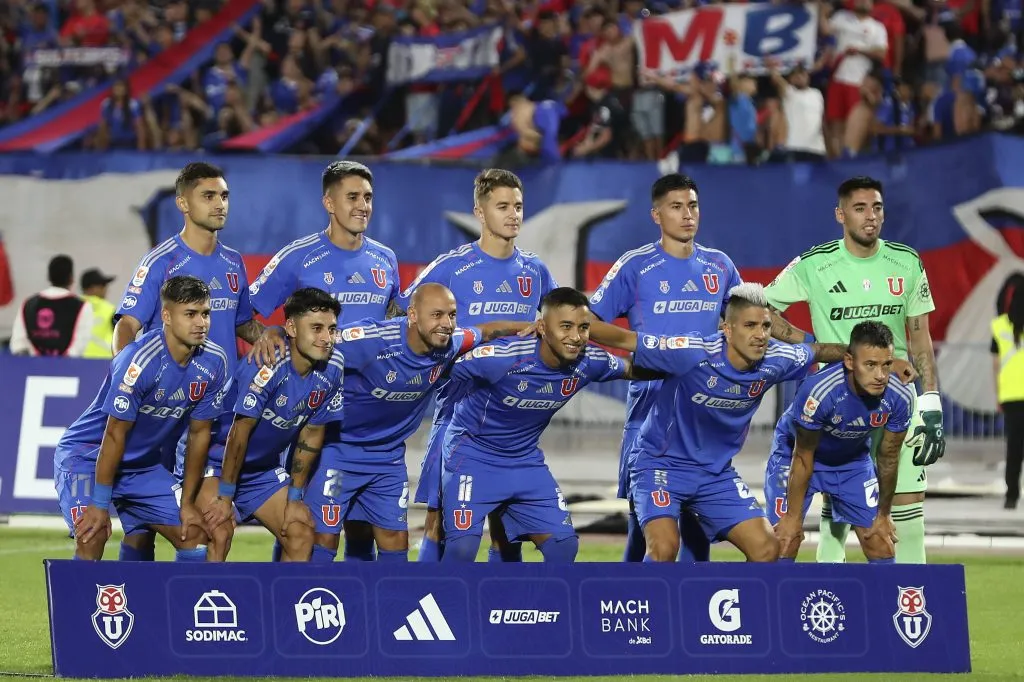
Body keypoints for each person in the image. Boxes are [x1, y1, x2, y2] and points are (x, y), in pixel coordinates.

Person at [594, 283, 869, 562]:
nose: (760, 335)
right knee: (664, 548)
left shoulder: (778, 358)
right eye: (750, 325)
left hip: (716, 475)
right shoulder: (692, 352)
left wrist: (878, 359)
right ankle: (651, 604)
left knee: (767, 549)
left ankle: (744, 606)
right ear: (727, 329)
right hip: (660, 465)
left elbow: (820, 350)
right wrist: (573, 327)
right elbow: (625, 339)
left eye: (765, 326)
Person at [765, 175, 944, 564]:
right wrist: (816, 347)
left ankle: (909, 606)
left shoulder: (906, 262)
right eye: (860, 208)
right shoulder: (816, 264)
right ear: (840, 214)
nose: (870, 216)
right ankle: (834, 610)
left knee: (907, 506)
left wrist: (930, 400)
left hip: (896, 399)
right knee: (837, 511)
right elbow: (763, 309)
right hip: (837, 403)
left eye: (877, 207)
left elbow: (919, 337)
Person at [111, 161, 283, 563]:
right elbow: (127, 324)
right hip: (171, 415)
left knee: (206, 525)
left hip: (220, 412)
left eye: (224, 196)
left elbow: (242, 325)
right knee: (146, 530)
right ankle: (140, 613)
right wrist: (125, 376)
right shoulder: (161, 261)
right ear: (183, 203)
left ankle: (193, 614)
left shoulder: (233, 262)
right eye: (208, 196)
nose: (219, 204)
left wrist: (272, 338)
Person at [304, 283, 529, 562]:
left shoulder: (449, 344)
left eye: (452, 315)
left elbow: (486, 331)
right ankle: (308, 602)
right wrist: (276, 333)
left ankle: (389, 605)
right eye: (436, 315)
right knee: (323, 537)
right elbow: (310, 340)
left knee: (396, 542)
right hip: (338, 450)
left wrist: (534, 326)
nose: (446, 323)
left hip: (388, 458)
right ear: (412, 315)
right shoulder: (369, 339)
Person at [399, 168, 557, 564]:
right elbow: (405, 313)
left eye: (518, 206)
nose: (513, 214)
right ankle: (428, 608)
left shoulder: (534, 271)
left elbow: (558, 325)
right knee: (440, 519)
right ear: (479, 212)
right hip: (459, 410)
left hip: (513, 420)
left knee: (509, 531)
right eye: (502, 206)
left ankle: (503, 618)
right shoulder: (452, 267)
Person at [248, 160, 400, 562]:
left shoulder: (385, 260)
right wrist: (269, 335)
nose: (363, 205)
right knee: (310, 531)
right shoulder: (299, 257)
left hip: (376, 419)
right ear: (329, 203)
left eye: (368, 197)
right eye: (352, 197)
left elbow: (391, 322)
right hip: (316, 417)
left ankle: (356, 618)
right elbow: (247, 311)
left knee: (364, 532)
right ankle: (289, 606)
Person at [588, 173, 742, 564]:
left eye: (692, 205)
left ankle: (686, 619)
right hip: (651, 410)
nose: (687, 215)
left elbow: (748, 320)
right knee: (646, 527)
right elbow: (589, 322)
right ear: (657, 215)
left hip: (703, 413)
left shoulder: (719, 266)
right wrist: (639, 353)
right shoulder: (636, 267)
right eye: (676, 207)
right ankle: (624, 613)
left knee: (695, 529)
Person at [439, 287, 651, 563]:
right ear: (541, 327)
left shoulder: (589, 362)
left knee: (563, 547)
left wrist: (692, 362)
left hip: (524, 461)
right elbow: (437, 366)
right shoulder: (501, 357)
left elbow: (634, 368)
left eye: (584, 328)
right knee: (461, 549)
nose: (576, 337)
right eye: (565, 326)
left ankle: (526, 605)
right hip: (472, 457)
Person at [53, 276, 230, 561]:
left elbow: (200, 435)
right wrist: (99, 504)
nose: (201, 323)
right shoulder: (139, 361)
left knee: (193, 532)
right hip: (87, 457)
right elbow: (114, 435)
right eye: (190, 314)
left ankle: (180, 606)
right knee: (92, 532)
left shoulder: (213, 362)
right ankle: (81, 606)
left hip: (140, 467)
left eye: (205, 313)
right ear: (166, 316)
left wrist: (187, 503)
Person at [200, 288, 345, 561]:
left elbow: (312, 434)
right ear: (290, 327)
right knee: (218, 530)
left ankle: (286, 603)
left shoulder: (334, 366)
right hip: (215, 462)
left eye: (331, 329)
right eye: (316, 328)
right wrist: (226, 496)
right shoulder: (267, 364)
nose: (326, 338)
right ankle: (206, 600)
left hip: (261, 470)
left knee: (300, 531)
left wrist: (294, 497)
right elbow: (238, 434)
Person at [767, 321, 914, 563]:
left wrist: (884, 514)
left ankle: (885, 601)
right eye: (870, 365)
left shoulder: (901, 394)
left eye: (886, 364)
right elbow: (803, 456)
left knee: (879, 540)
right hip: (796, 456)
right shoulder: (819, 392)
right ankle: (771, 600)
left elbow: (888, 457)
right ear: (849, 362)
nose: (880, 375)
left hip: (851, 460)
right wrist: (792, 518)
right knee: (784, 540)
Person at [9, 254, 94, 357]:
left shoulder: (28, 304)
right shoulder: (82, 306)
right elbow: (81, 343)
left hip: (32, 368)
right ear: (71, 278)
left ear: (48, 276)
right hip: (68, 370)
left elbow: (18, 344)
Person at [992, 284, 1024, 509]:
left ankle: (1011, 494)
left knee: (1014, 448)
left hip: (1010, 395)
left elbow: (995, 365)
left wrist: (997, 394)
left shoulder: (999, 326)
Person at [80, 268, 117, 359]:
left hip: (77, 361)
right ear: (90, 288)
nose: (105, 289)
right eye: (102, 285)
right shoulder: (110, 309)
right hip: (103, 363)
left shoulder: (72, 308)